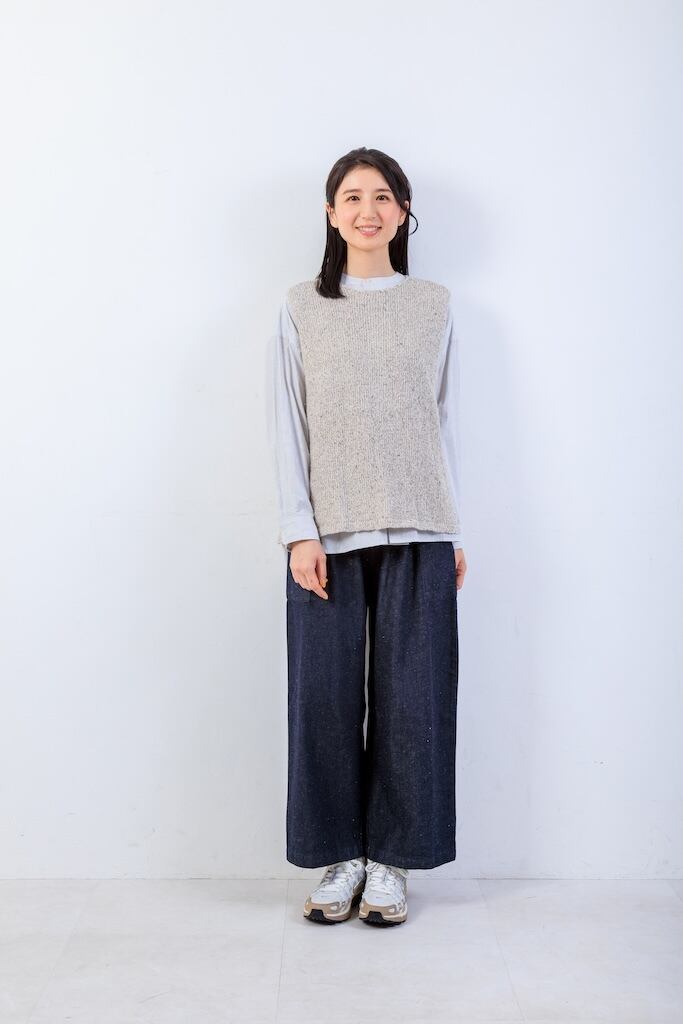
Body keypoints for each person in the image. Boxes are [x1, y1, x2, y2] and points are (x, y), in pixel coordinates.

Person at [265, 146, 467, 926]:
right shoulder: (301, 306)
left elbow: (446, 421)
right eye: (351, 197)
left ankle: (391, 861)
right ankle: (339, 856)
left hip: (421, 526)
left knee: (414, 702)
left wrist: (455, 528)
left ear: (403, 211)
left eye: (382, 196)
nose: (367, 210)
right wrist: (297, 532)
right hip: (326, 535)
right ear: (330, 213)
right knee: (321, 700)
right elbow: (285, 423)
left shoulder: (433, 304)